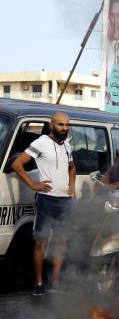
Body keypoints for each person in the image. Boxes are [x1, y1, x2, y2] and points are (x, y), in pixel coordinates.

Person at [10, 113, 75, 296]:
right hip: (46, 199)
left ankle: (54, 281)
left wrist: (71, 185)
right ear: (51, 125)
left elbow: (72, 167)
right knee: (41, 241)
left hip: (65, 200)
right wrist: (32, 185)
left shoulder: (68, 145)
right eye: (61, 124)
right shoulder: (41, 142)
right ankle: (38, 282)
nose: (64, 128)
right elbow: (17, 164)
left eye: (67, 125)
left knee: (61, 241)